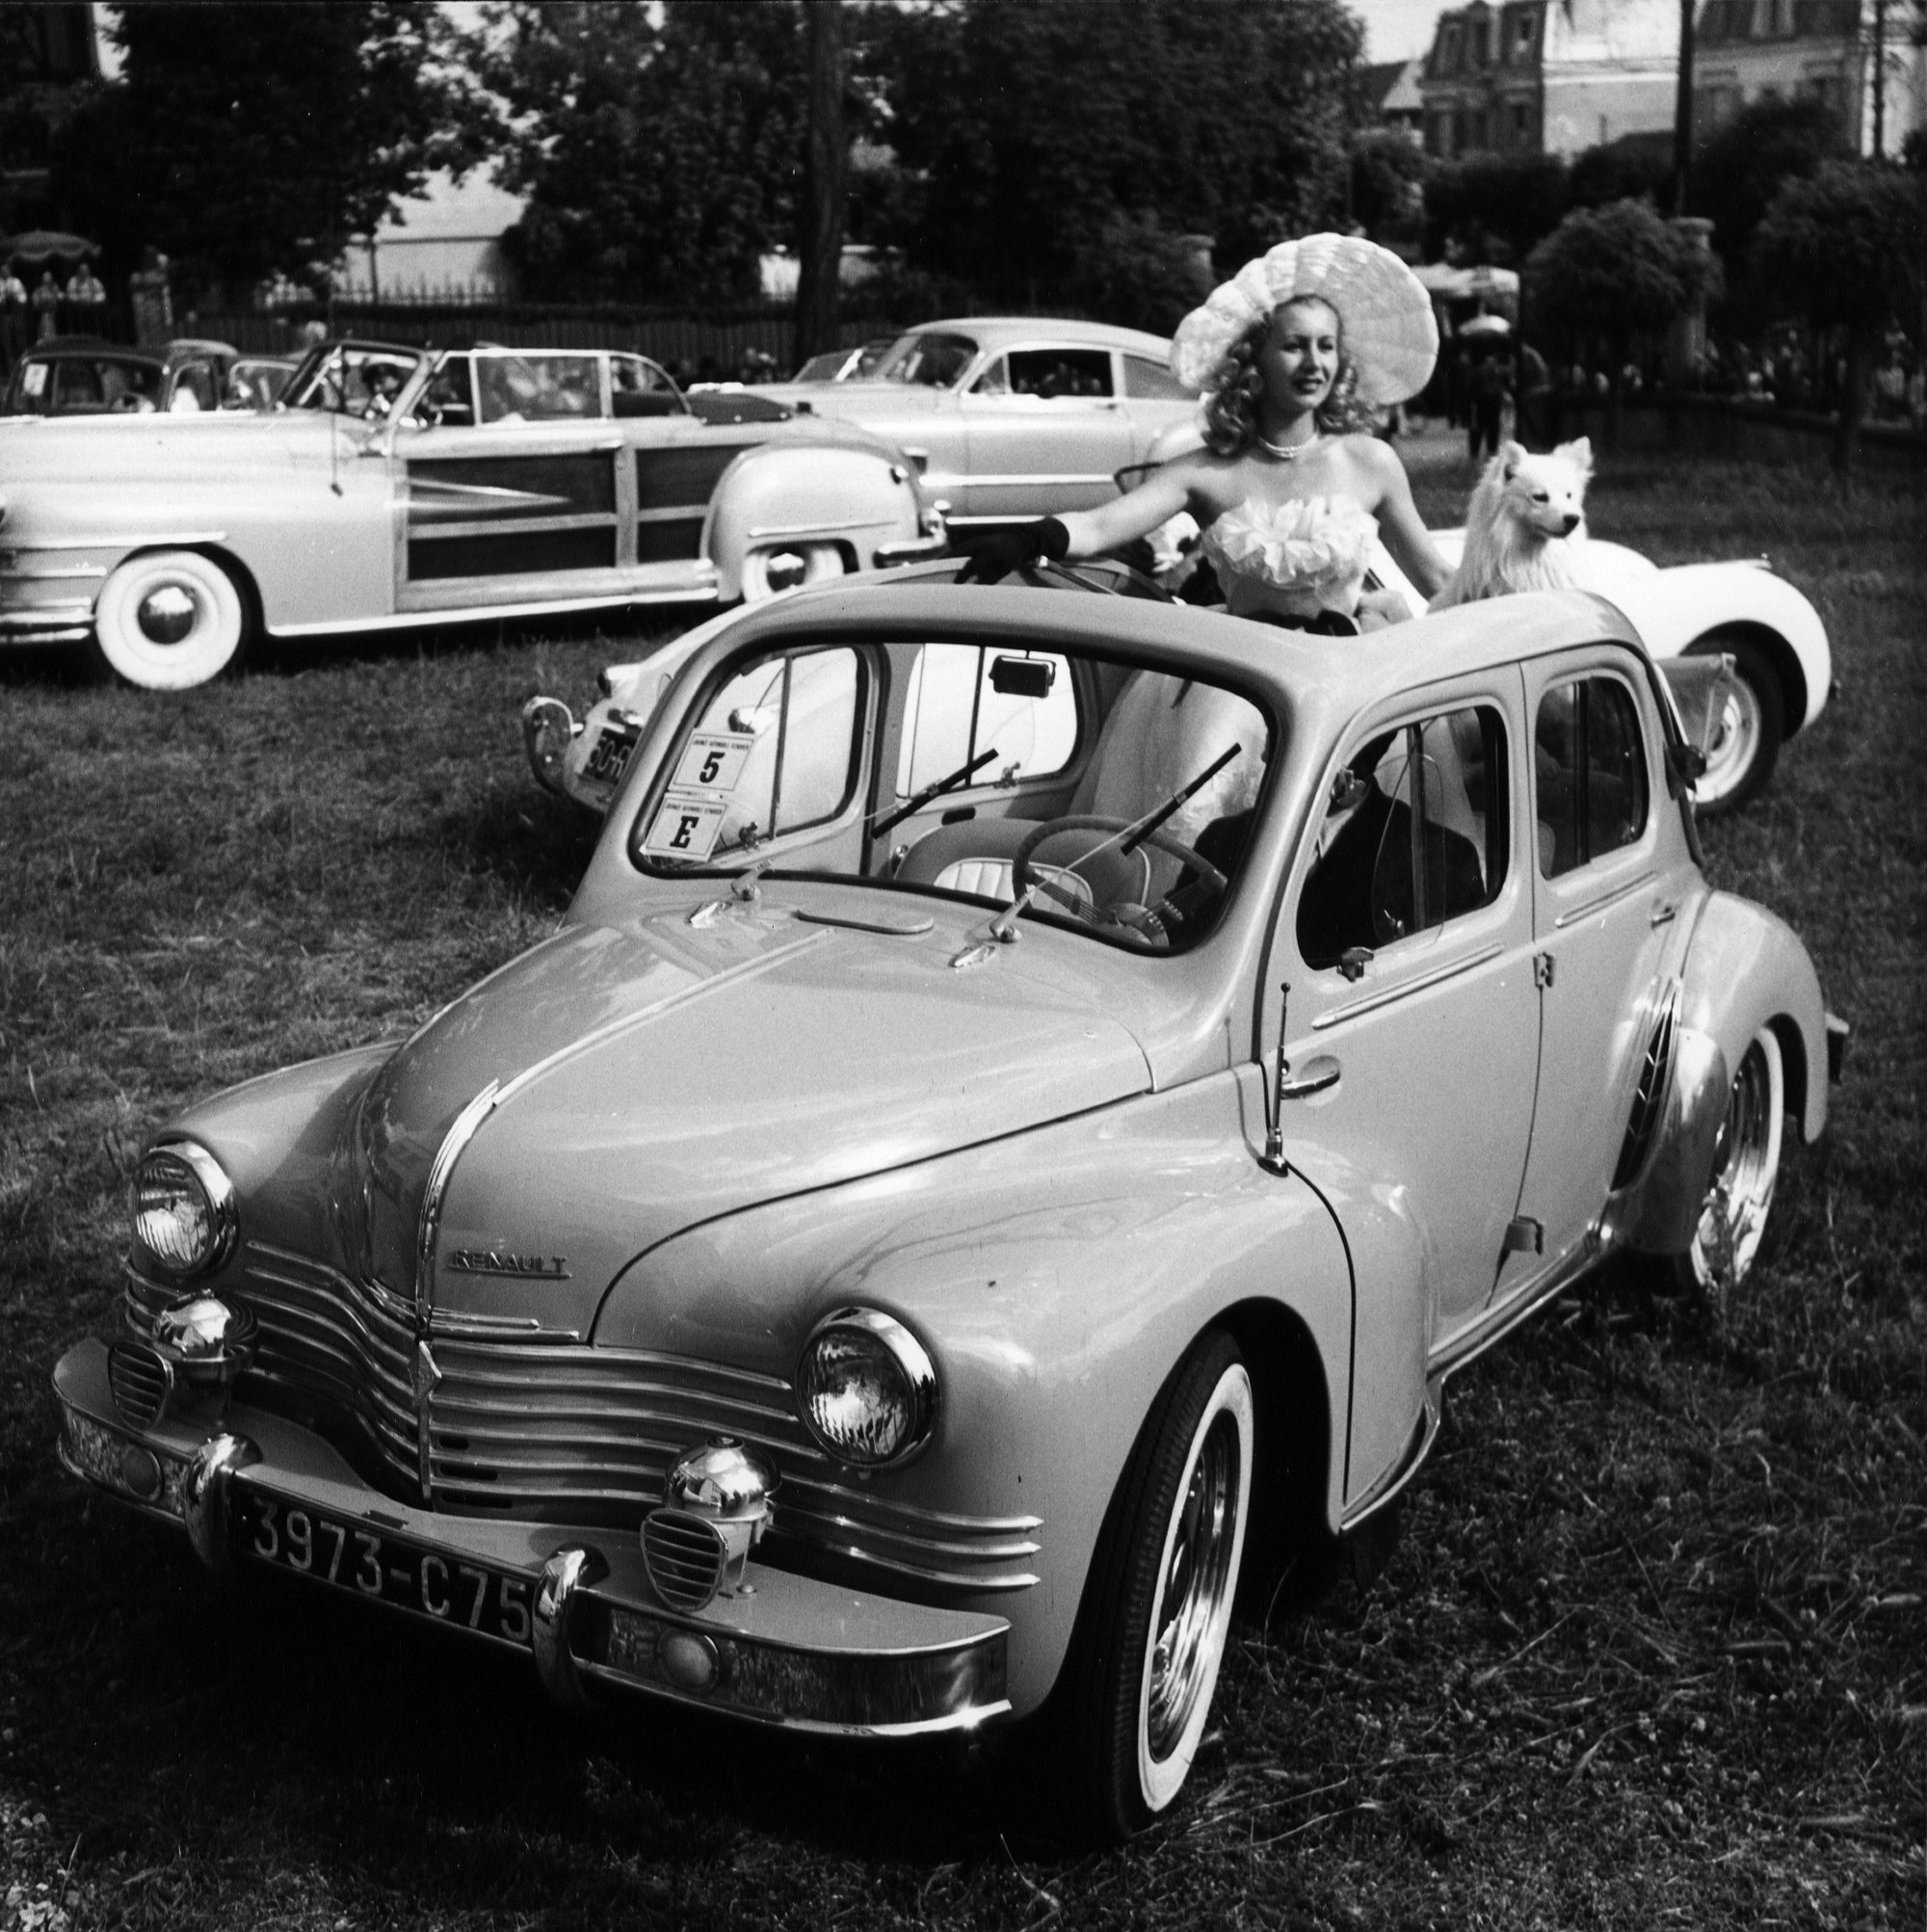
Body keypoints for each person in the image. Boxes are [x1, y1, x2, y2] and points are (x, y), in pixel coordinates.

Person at [960, 233, 1449, 632]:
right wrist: (1028, 537)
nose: (1314, 363)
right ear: (1254, 359)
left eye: (1326, 347)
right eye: (1294, 346)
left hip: (1350, 685)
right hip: (1246, 688)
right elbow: (1102, 526)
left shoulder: (1371, 462)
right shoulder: (1207, 471)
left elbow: (1437, 578)